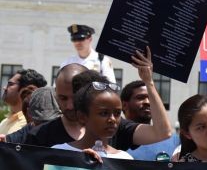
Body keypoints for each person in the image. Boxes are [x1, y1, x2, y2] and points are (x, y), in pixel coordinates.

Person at [25, 47, 171, 151]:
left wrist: (149, 82)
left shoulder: (113, 127)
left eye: (75, 98)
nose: (69, 106)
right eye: (63, 98)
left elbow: (162, 132)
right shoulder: (39, 136)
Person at [52, 80, 132, 159]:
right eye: (104, 113)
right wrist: (80, 160)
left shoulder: (124, 159)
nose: (112, 119)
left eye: (117, 113)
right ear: (82, 117)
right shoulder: (59, 153)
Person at [121, 80, 180, 160]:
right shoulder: (113, 139)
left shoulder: (175, 141)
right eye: (140, 98)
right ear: (124, 105)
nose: (147, 102)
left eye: (151, 99)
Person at [0, 68, 47, 137]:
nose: (4, 88)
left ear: (25, 89)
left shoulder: (31, 123)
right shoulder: (5, 121)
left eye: (10, 84)